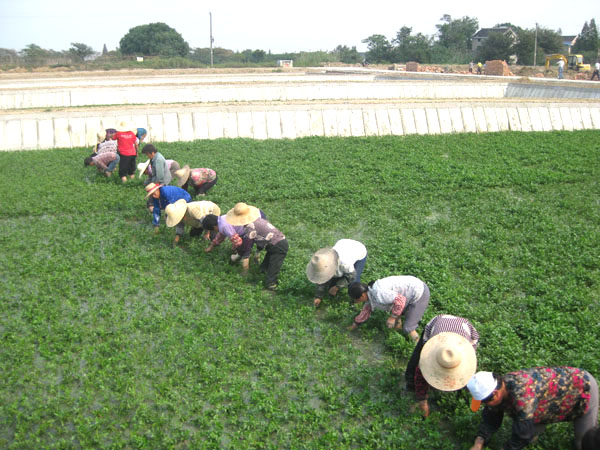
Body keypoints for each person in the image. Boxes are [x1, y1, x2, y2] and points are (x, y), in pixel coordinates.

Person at [467, 367, 599, 450]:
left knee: (584, 443)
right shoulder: (498, 386)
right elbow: (491, 418)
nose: (485, 405)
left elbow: (522, 435)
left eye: (484, 402)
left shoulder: (523, 398)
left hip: (582, 388)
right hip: (546, 399)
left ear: (495, 394)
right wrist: (479, 442)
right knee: (529, 429)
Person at [405, 314, 479, 417]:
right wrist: (422, 401)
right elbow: (420, 374)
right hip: (438, 324)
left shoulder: (466, 353)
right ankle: (410, 383)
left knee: (466, 377)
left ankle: (461, 391)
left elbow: (469, 374)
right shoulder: (430, 351)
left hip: (465, 329)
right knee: (418, 355)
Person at [225, 202, 288, 290]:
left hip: (279, 244)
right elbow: (261, 238)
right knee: (269, 257)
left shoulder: (249, 228)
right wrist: (257, 252)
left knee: (274, 264)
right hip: (275, 242)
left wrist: (245, 268)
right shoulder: (256, 220)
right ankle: (262, 270)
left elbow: (247, 247)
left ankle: (270, 283)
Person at [347, 276, 430, 341]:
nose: (356, 302)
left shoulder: (379, 293)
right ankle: (397, 330)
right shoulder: (370, 293)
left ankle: (419, 346)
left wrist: (392, 317)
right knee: (397, 309)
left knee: (408, 327)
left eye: (356, 300)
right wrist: (354, 325)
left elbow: (400, 300)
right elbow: (366, 311)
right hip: (409, 291)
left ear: (362, 295)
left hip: (419, 292)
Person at [306, 239, 367, 307]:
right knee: (332, 283)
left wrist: (337, 287)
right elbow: (321, 279)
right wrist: (318, 296)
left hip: (358, 250)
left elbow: (352, 276)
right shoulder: (321, 261)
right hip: (343, 243)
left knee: (354, 284)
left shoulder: (345, 263)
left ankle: (356, 301)